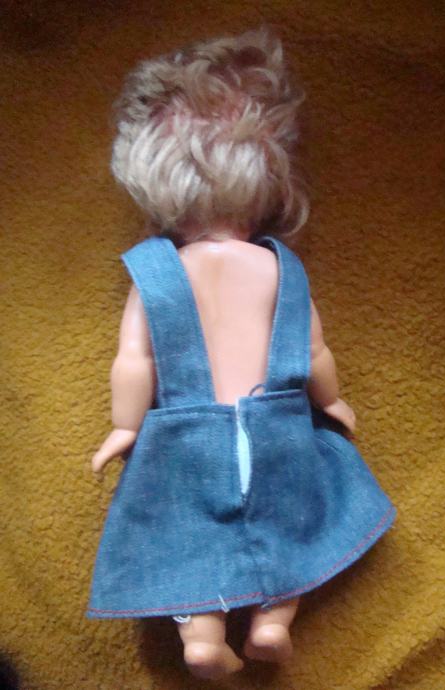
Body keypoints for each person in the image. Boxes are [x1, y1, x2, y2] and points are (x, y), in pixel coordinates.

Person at [87, 26, 395, 680]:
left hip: (186, 437)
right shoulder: (276, 267)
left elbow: (134, 360)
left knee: (186, 539)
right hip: (276, 426)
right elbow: (312, 348)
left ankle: (201, 638)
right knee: (294, 528)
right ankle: (272, 623)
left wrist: (124, 427)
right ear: (268, 184)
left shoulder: (157, 272)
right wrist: (333, 400)